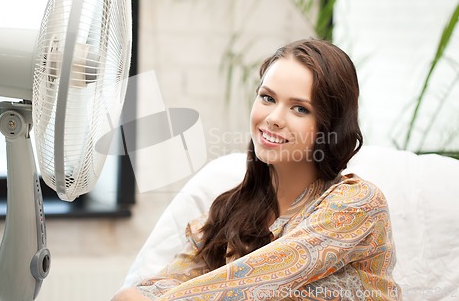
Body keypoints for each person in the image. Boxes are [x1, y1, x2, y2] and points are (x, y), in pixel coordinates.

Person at [112, 39, 402, 301]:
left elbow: (250, 284)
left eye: (300, 109)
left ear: (331, 126)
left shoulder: (357, 204)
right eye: (268, 98)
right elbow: (171, 281)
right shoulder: (230, 211)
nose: (274, 118)